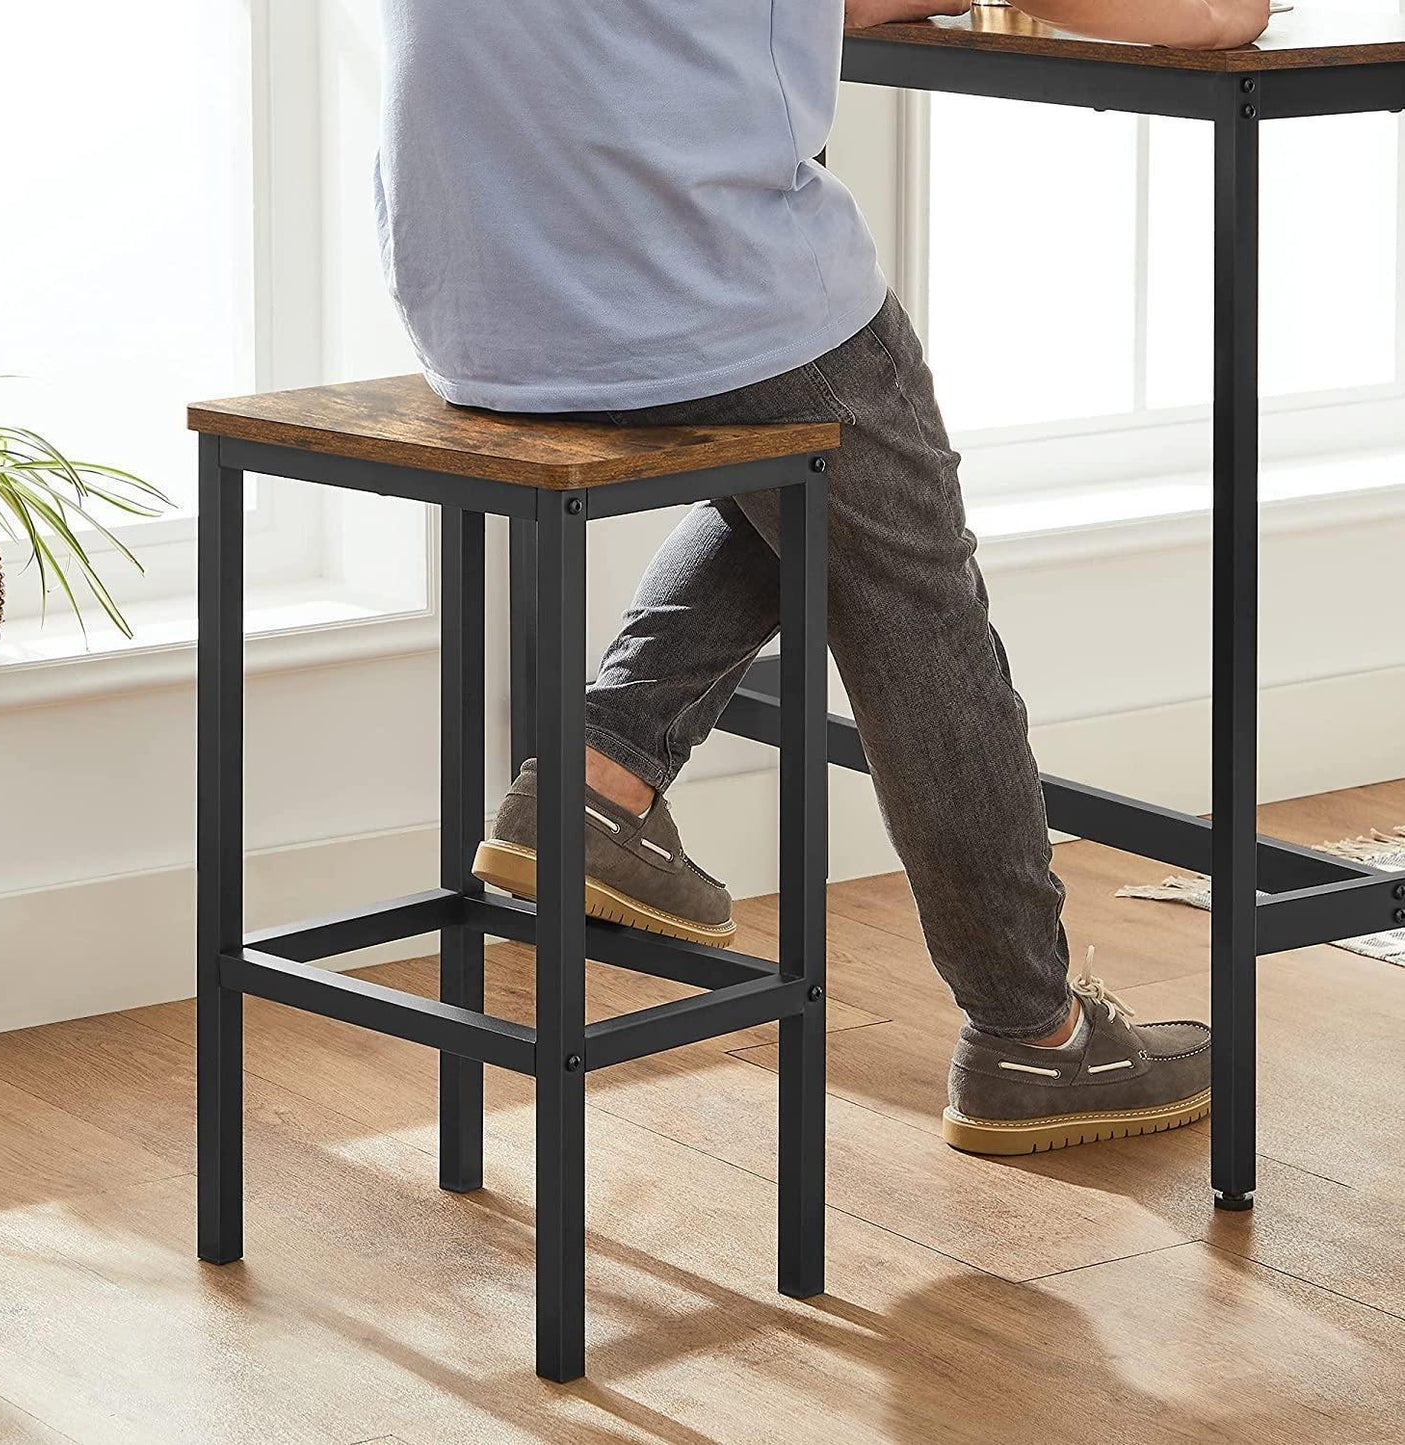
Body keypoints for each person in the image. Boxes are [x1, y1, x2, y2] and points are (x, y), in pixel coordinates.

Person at [374, 0, 1263, 1154]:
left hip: (483, 305)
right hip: (674, 283)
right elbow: (1191, 20)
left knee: (807, 477)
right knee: (910, 595)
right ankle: (1032, 1036)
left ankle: (592, 780)